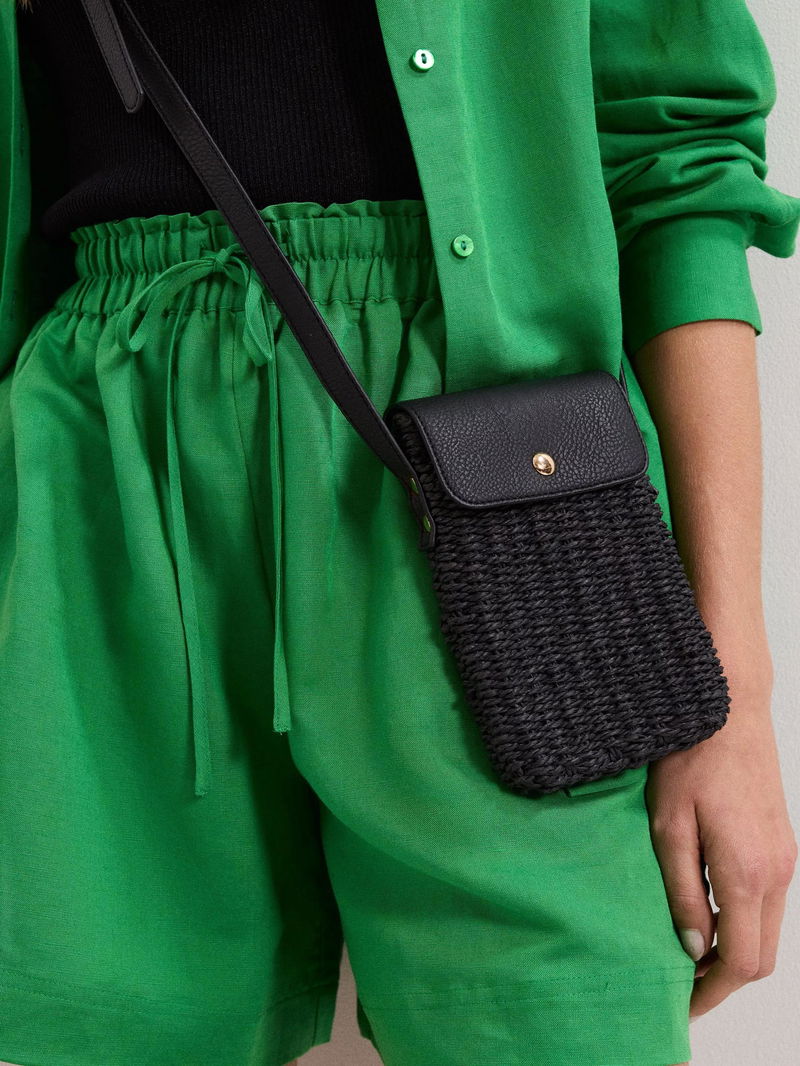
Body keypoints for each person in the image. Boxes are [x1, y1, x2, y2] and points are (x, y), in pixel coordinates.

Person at [0, 1, 797, 1065]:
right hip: (101, 466)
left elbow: (676, 166)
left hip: (499, 483)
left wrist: (731, 702)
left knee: (566, 1023)